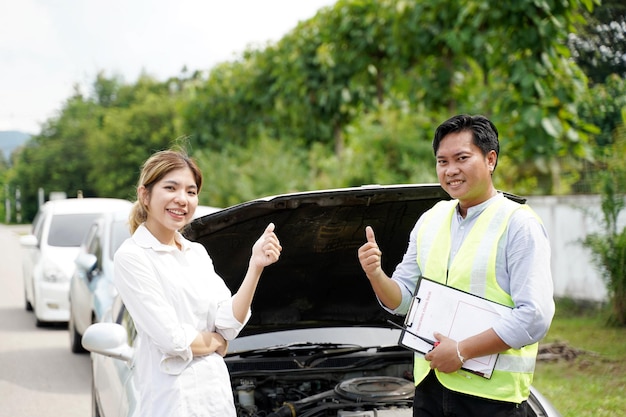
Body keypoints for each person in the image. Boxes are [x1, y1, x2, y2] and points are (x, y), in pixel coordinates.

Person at [358, 114, 555, 417]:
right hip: (431, 388)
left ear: (490, 159)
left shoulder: (519, 224)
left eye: (461, 158)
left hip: (491, 399)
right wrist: (376, 274)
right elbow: (403, 300)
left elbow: (534, 317)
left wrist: (462, 351)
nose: (450, 170)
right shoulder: (431, 219)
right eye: (442, 161)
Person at [113, 149, 282, 417]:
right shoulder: (132, 256)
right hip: (171, 403)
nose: (182, 199)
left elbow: (228, 323)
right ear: (145, 195)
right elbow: (172, 340)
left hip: (216, 401)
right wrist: (214, 343)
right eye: (171, 188)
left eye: (191, 192)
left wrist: (255, 266)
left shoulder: (196, 253)